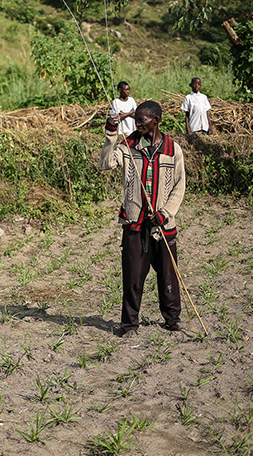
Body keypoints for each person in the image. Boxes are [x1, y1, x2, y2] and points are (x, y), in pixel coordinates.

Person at [99, 100, 186, 338]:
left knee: (169, 275)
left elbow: (179, 187)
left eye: (142, 120)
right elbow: (105, 164)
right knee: (133, 277)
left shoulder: (172, 149)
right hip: (135, 223)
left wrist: (164, 213)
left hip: (162, 224)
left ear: (156, 121)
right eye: (136, 120)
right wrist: (111, 134)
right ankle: (129, 325)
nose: (137, 124)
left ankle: (172, 319)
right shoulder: (128, 146)